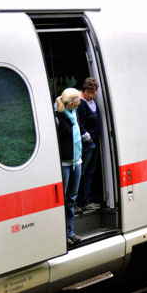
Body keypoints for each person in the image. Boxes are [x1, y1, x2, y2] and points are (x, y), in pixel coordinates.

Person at [55, 88, 83, 245]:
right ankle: (61, 233)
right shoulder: (58, 118)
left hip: (76, 161)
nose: (80, 102)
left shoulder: (74, 113)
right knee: (62, 199)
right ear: (71, 103)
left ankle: (70, 231)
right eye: (78, 100)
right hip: (64, 163)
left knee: (71, 198)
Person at [77, 77, 101, 211]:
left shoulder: (91, 101)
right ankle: (82, 201)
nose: (92, 95)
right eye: (89, 92)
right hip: (87, 144)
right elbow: (79, 124)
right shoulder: (81, 103)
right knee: (84, 172)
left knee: (90, 172)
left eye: (94, 92)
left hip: (94, 142)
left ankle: (86, 199)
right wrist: (88, 137)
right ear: (84, 90)